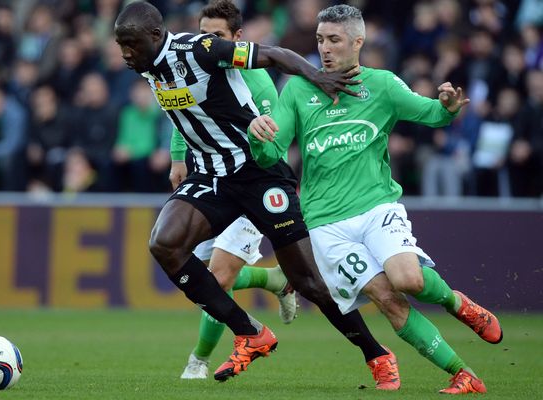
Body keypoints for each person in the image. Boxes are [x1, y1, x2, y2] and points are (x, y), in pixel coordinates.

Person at [114, 1, 399, 386]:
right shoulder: (150, 67)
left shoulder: (200, 49)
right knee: (164, 245)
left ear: (154, 35)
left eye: (130, 44)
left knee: (310, 281)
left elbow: (275, 54)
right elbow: (188, 119)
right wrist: (180, 157)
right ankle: (250, 332)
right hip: (213, 176)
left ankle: (376, 354)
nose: (125, 54)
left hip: (258, 172)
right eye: (121, 45)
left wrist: (319, 77)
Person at [249, 4, 503, 395]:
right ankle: (461, 373)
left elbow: (430, 113)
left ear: (358, 42)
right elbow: (272, 152)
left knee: (408, 280)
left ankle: (457, 303)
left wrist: (448, 109)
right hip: (325, 225)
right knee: (387, 299)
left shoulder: (382, 85)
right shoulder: (299, 88)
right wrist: (259, 137)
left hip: (376, 207)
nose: (325, 49)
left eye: (334, 40)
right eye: (320, 40)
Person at [169, 0, 297, 380]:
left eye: (218, 37)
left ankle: (198, 361)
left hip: (252, 185)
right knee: (204, 275)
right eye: (204, 35)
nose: (209, 44)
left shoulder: (257, 80)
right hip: (210, 180)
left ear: (238, 39)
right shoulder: (194, 67)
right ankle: (272, 278)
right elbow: (184, 111)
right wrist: (179, 158)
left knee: (219, 278)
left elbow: (274, 142)